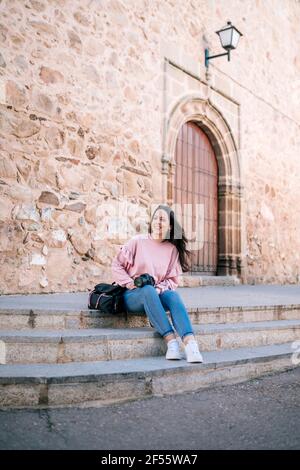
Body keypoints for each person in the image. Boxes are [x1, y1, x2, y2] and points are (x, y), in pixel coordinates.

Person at [111, 204, 203, 363]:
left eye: (162, 219)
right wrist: (130, 283)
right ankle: (172, 342)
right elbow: (116, 265)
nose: (157, 222)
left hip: (155, 295)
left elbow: (171, 281)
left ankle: (191, 345)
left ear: (170, 225)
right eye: (155, 218)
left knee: (172, 296)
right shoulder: (137, 241)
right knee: (147, 290)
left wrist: (159, 289)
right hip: (133, 296)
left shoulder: (171, 249)